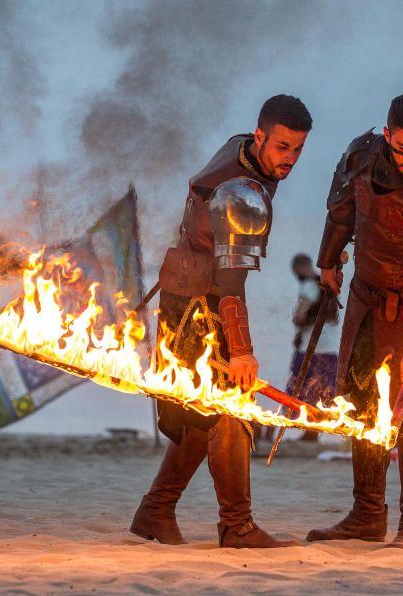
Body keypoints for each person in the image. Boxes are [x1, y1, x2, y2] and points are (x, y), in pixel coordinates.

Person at [130, 95, 312, 547]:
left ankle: (156, 510)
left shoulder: (238, 148)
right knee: (230, 411)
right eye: (281, 147)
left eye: (297, 150)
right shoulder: (243, 193)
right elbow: (230, 285)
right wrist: (243, 351)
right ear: (260, 135)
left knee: (200, 414)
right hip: (201, 305)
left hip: (185, 292)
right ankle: (237, 525)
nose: (288, 159)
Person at [306, 93, 403, 551]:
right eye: (402, 148)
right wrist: (328, 261)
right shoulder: (359, 157)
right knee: (360, 408)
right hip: (364, 301)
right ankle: (366, 514)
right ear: (388, 132)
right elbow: (341, 214)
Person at [285, 253, 340, 442]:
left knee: (303, 387)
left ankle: (309, 430)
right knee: (321, 389)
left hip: (313, 348)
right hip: (330, 348)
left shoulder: (309, 285)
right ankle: (312, 431)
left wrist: (297, 320)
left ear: (299, 268)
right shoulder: (328, 285)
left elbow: (300, 314)